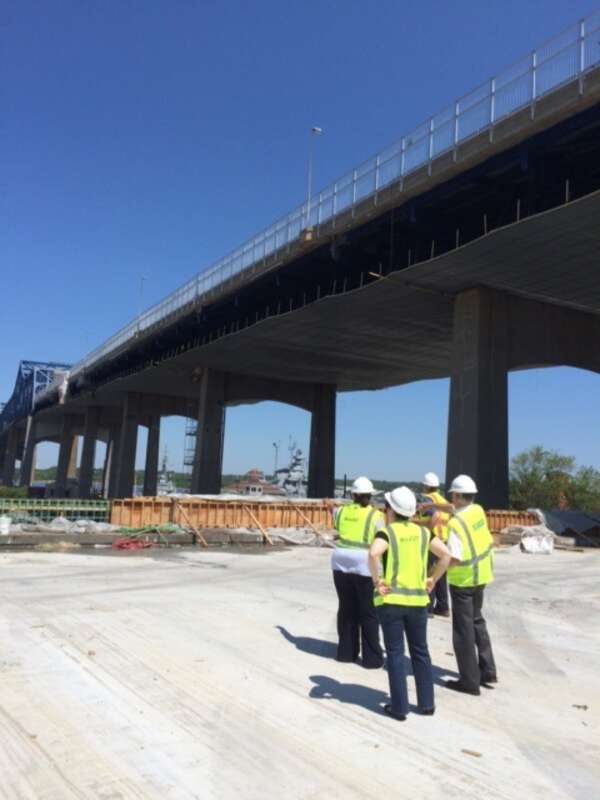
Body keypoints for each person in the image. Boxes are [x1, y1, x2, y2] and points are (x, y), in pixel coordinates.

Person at [368, 486, 451, 720]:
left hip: (391, 601)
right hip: (417, 602)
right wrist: (432, 579)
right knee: (420, 651)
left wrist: (378, 581)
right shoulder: (423, 533)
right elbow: (445, 555)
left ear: (390, 510)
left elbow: (374, 554)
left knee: (395, 653)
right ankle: (427, 704)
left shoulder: (387, 533)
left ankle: (400, 707)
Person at [444, 474, 497, 696]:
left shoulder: (455, 524)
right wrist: (431, 505)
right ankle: (488, 671)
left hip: (463, 582)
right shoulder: (478, 511)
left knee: (463, 632)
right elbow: (453, 509)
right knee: (477, 622)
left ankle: (469, 681)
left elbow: (454, 557)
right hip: (482, 576)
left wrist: (434, 572)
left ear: (456, 495)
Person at [330, 476, 384, 668]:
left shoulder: (340, 511)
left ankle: (346, 653)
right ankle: (372, 659)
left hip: (340, 560)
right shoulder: (376, 516)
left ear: (352, 494)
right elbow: (380, 540)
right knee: (368, 612)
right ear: (370, 496)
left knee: (346, 607)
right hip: (364, 562)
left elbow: (335, 521)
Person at [417, 472, 453, 618]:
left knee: (429, 573)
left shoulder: (427, 499)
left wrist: (426, 532)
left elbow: (434, 516)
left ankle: (428, 608)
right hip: (444, 540)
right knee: (441, 574)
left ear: (426, 485)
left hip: (433, 540)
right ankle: (443, 607)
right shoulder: (443, 500)